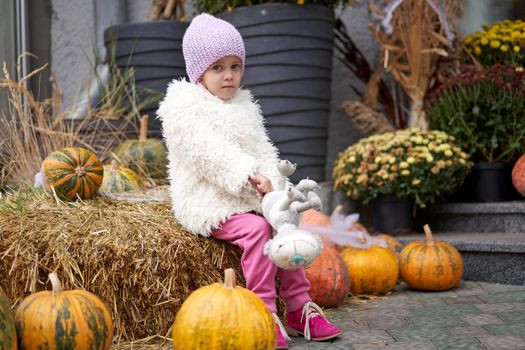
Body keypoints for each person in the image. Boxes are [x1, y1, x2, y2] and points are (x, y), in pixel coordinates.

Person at [157, 13, 341, 349]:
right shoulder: (183, 107)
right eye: (218, 68)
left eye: (235, 66)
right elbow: (205, 152)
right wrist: (245, 172)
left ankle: (299, 308)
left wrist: (276, 188)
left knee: (284, 226)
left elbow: (265, 151)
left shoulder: (245, 106)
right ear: (198, 72)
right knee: (257, 230)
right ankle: (261, 311)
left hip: (250, 195)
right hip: (209, 200)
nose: (228, 76)